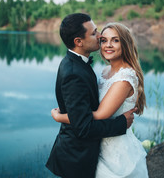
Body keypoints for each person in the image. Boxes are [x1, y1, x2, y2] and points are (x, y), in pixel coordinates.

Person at [51, 22, 149, 177]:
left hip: (116, 152)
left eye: (115, 40)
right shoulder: (105, 71)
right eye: (104, 40)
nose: (108, 45)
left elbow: (100, 114)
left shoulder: (125, 77)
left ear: (126, 44)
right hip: (97, 145)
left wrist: (60, 117)